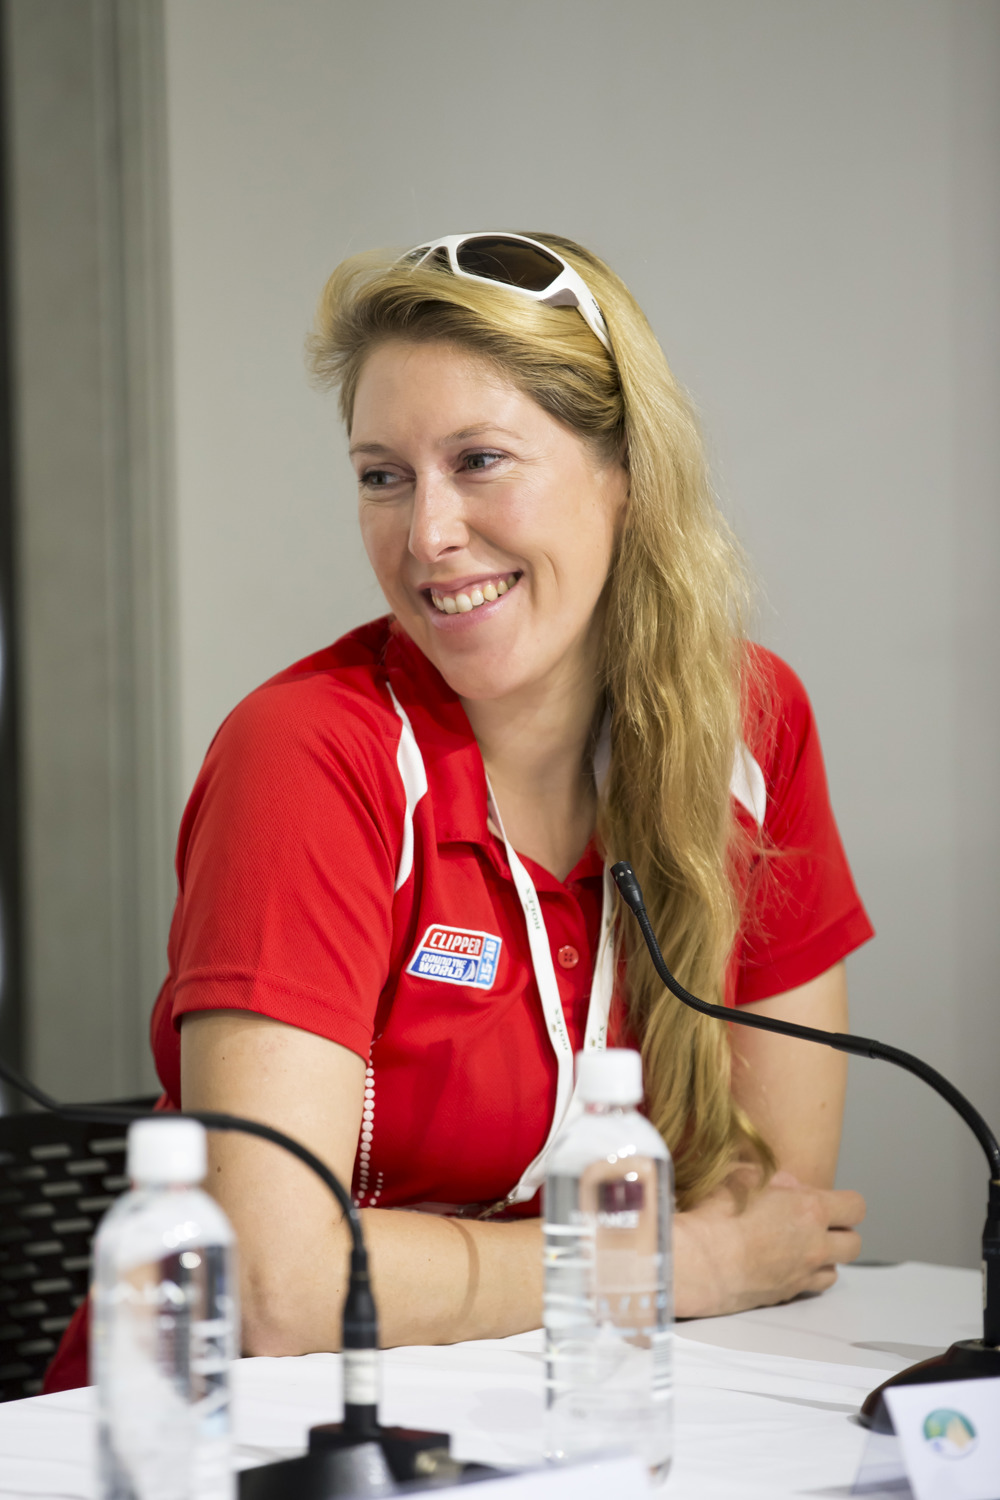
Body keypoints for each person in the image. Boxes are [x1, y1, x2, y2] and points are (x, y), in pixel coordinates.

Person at [45, 231, 870, 1388]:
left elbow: (774, 1210)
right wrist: (659, 1265)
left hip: (546, 1402)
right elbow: (282, 1286)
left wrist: (660, 1263)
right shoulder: (309, 755)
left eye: (478, 460)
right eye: (382, 475)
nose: (426, 533)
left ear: (625, 471)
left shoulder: (747, 724)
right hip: (221, 1431)